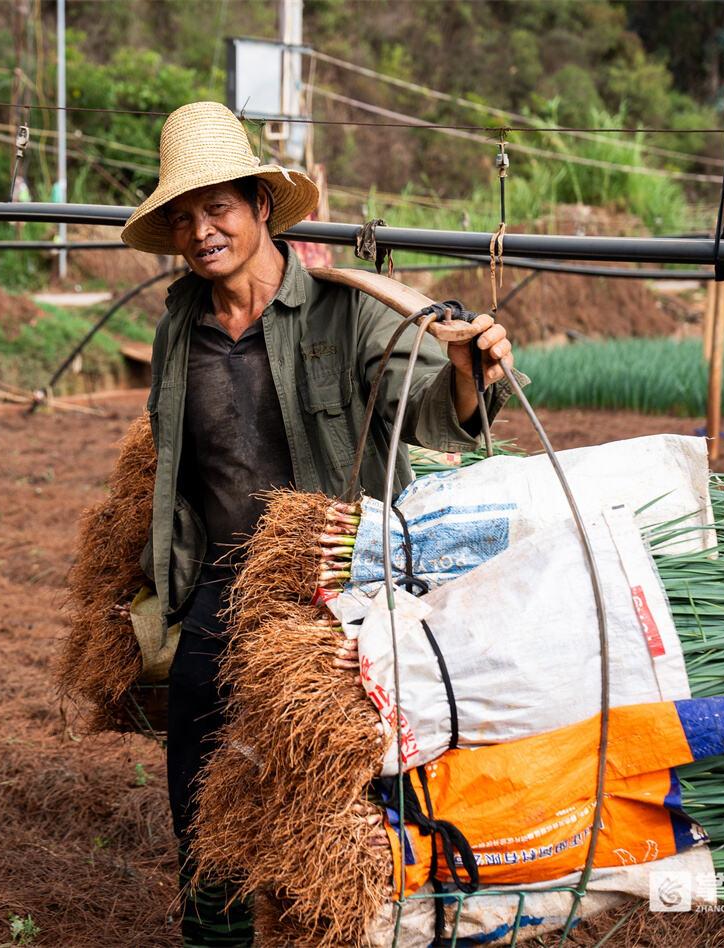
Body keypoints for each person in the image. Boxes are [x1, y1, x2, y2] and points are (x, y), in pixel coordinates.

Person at [121, 100, 518, 947]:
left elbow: (429, 408)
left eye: (217, 207)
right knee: (200, 779)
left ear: (262, 206)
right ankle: (213, 931)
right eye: (184, 217)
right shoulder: (178, 330)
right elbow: (173, 474)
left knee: (340, 796)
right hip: (222, 593)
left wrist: (466, 370)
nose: (201, 231)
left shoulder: (348, 310)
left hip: (338, 593)